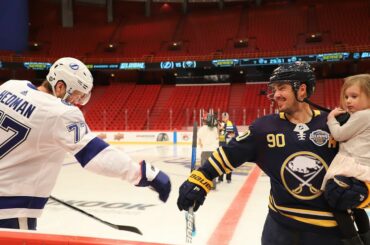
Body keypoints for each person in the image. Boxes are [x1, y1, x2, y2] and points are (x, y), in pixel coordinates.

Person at [177, 61, 370, 245]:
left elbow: (365, 162)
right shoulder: (264, 127)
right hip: (280, 231)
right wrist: (201, 177)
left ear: (302, 89)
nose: (276, 94)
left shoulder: (338, 123)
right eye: (274, 89)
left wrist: (366, 193)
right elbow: (229, 154)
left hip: (331, 234)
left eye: (282, 88)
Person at [0, 57, 171, 230]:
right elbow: (96, 155)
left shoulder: (10, 87)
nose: (78, 100)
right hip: (10, 210)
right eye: (76, 94)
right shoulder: (60, 112)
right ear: (60, 86)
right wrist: (144, 173)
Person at [321, 74, 370, 242]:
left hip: (352, 165)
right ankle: (365, 236)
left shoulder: (363, 116)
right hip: (361, 168)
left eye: (354, 97)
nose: (348, 101)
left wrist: (330, 119)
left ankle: (352, 240)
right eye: (346, 96)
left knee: (335, 200)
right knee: (355, 207)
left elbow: (340, 134)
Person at [198, 112, 219, 189]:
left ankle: (205, 185)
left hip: (205, 151)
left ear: (204, 121)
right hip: (214, 151)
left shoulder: (201, 129)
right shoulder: (215, 129)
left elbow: (200, 142)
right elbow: (217, 138)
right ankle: (213, 185)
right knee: (213, 168)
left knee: (204, 169)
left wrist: (203, 145)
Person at [217, 112, 238, 183]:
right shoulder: (220, 125)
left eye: (225, 117)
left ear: (228, 117)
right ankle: (220, 178)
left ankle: (228, 178)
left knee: (229, 163)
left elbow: (236, 135)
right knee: (221, 163)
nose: (224, 118)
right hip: (222, 146)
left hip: (230, 147)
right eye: (223, 117)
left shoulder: (232, 125)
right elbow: (218, 135)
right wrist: (219, 130)